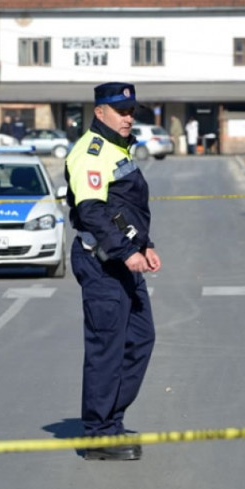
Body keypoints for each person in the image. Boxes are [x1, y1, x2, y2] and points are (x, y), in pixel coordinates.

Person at [65, 81, 161, 461]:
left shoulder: (118, 148)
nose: (128, 117)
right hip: (102, 261)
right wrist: (126, 252)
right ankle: (98, 434)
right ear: (99, 112)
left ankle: (111, 420)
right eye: (121, 111)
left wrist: (145, 245)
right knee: (107, 348)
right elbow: (92, 212)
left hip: (122, 259)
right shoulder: (91, 152)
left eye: (132, 110)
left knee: (140, 338)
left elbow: (124, 207)